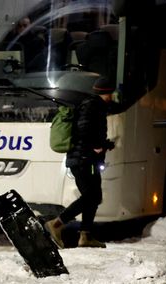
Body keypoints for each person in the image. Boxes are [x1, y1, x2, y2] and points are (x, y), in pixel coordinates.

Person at [44, 76, 115, 249]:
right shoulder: (93, 105)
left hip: (84, 158)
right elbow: (84, 129)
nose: (112, 97)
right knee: (91, 196)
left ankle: (86, 236)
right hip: (84, 159)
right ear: (106, 93)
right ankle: (56, 224)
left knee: (93, 197)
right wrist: (98, 145)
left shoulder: (93, 105)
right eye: (111, 94)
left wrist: (104, 145)